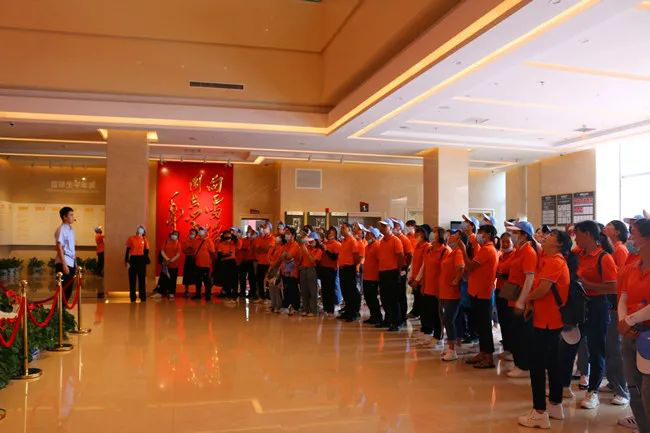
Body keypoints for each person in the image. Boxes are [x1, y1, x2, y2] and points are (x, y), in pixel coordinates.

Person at [517, 229, 571, 429]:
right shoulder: (547, 259)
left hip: (547, 321)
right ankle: (555, 404)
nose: (545, 238)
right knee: (552, 363)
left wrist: (526, 299)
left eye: (550, 237)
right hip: (546, 319)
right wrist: (531, 302)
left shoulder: (555, 262)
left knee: (538, 367)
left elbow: (543, 289)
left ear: (559, 244)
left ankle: (539, 412)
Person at [573, 220, 618, 410]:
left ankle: (593, 392)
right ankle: (567, 384)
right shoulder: (578, 255)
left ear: (588, 235)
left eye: (577, 234)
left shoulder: (604, 258)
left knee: (596, 349)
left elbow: (613, 287)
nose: (575, 238)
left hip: (597, 306)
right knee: (571, 344)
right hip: (579, 306)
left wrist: (588, 284)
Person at [617, 218, 650, 433]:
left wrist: (629, 320)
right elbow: (624, 296)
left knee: (647, 389)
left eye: (634, 233)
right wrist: (624, 322)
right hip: (630, 334)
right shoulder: (633, 267)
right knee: (634, 387)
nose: (629, 238)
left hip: (646, 334)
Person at [459, 224, 499, 369]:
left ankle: (488, 358)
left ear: (488, 235)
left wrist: (463, 250)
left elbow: (470, 266)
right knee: (480, 326)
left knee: (484, 327)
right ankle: (483, 352)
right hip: (477, 291)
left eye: (481, 232)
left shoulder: (488, 249)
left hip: (483, 293)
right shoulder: (485, 249)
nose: (479, 235)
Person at [504, 221, 539, 379]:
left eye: (516, 232)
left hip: (522, 300)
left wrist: (522, 301)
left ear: (524, 235)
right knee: (516, 333)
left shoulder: (529, 252)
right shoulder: (519, 251)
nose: (512, 235)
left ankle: (524, 366)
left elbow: (530, 278)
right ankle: (519, 363)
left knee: (522, 335)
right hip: (514, 297)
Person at [416, 226, 446, 350]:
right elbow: (425, 268)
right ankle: (432, 334)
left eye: (435, 232)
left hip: (438, 288)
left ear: (440, 235)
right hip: (428, 286)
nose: (432, 234)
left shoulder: (445, 251)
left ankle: (439, 337)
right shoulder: (429, 249)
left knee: (438, 314)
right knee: (430, 312)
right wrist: (422, 283)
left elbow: (444, 271)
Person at [438, 230, 467, 361]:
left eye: (454, 236)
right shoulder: (452, 252)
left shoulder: (459, 252)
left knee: (449, 319)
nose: (451, 237)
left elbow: (461, 268)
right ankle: (450, 345)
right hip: (445, 290)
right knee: (448, 319)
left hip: (452, 292)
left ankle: (452, 350)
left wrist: (456, 280)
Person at [377, 219, 405, 331]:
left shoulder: (396, 240)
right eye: (381, 226)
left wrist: (399, 271)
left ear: (391, 227)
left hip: (392, 272)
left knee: (393, 299)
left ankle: (397, 322)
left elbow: (400, 257)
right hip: (383, 272)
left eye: (384, 226)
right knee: (384, 298)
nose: (382, 228)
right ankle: (388, 320)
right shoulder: (382, 241)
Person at [495, 231, 516, 363]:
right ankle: (507, 348)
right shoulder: (501, 255)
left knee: (509, 321)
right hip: (499, 289)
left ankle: (513, 350)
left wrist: (502, 275)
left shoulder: (515, 255)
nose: (505, 244)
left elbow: (514, 273)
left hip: (510, 291)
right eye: (503, 242)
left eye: (508, 241)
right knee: (502, 320)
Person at [391, 218, 413, 325]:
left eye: (395, 225)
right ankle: (395, 316)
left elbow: (409, 255)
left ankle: (402, 317)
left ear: (399, 227)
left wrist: (405, 267)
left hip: (401, 269)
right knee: (394, 294)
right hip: (393, 269)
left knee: (400, 294)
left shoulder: (404, 239)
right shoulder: (393, 239)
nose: (393, 227)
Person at [338, 223, 361, 321]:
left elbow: (356, 257)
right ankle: (347, 311)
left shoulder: (352, 241)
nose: (341, 229)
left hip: (349, 268)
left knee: (351, 291)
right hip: (342, 268)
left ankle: (353, 313)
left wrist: (352, 266)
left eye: (343, 228)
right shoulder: (344, 241)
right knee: (345, 291)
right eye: (341, 228)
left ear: (349, 229)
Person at [54, 206, 77, 301]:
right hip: (64, 262)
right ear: (64, 217)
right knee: (63, 290)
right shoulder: (62, 229)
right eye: (71, 215)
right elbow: (59, 247)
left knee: (68, 290)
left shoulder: (70, 229)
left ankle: (63, 309)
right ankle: (59, 309)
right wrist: (64, 264)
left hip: (71, 261)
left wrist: (75, 262)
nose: (73, 217)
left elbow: (70, 248)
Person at [124, 225, 150, 303]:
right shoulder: (131, 238)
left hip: (141, 260)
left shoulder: (145, 239)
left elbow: (146, 251)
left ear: (144, 231)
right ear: (137, 230)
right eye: (139, 228)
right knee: (132, 279)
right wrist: (127, 261)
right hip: (133, 259)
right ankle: (132, 297)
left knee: (142, 279)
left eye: (142, 229)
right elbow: (127, 251)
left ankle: (142, 297)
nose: (140, 230)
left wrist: (144, 261)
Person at [298, 231, 322, 316]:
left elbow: (313, 261)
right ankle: (305, 309)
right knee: (304, 291)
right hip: (303, 269)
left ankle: (313, 310)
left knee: (312, 291)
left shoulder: (318, 250)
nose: (311, 242)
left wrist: (307, 252)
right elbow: (300, 258)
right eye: (310, 241)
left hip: (312, 270)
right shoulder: (306, 247)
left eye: (312, 241)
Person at [363, 227, 383, 325]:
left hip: (374, 277)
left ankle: (378, 317)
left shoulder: (377, 246)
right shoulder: (367, 246)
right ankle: (373, 316)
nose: (366, 236)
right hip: (366, 276)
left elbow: (380, 261)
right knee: (368, 297)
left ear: (374, 235)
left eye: (369, 234)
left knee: (373, 298)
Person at [319, 226, 341, 316]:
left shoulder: (337, 244)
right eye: (329, 232)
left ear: (336, 234)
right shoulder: (325, 243)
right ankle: (325, 308)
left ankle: (330, 309)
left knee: (330, 290)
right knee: (324, 289)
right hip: (323, 268)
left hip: (331, 269)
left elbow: (334, 258)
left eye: (332, 232)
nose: (330, 234)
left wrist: (326, 249)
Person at [280, 226, 301, 315]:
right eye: (285, 233)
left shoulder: (295, 245)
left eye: (288, 233)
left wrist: (285, 255)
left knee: (293, 289)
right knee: (286, 289)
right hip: (285, 270)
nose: (286, 235)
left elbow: (288, 256)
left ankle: (295, 307)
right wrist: (285, 255)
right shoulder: (286, 245)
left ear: (293, 235)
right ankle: (287, 305)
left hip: (293, 271)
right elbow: (281, 256)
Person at [155, 230, 181, 299]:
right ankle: (160, 292)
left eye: (176, 235)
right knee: (163, 278)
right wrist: (167, 259)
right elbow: (162, 251)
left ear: (178, 236)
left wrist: (172, 260)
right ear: (171, 235)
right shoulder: (166, 241)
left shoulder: (178, 243)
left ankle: (171, 293)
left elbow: (178, 254)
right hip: (165, 264)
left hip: (174, 265)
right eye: (173, 234)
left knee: (173, 279)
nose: (174, 235)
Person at [192, 226, 215, 301]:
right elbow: (194, 250)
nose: (200, 231)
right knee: (197, 281)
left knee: (206, 281)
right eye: (199, 230)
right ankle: (198, 295)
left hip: (206, 265)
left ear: (205, 232)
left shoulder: (209, 241)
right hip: (197, 264)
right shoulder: (196, 240)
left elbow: (212, 252)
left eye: (202, 230)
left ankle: (208, 295)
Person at [254, 222, 275, 301]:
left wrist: (262, 248)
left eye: (265, 227)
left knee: (268, 280)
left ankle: (268, 297)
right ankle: (261, 297)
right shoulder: (261, 238)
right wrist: (263, 248)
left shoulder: (272, 238)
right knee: (259, 279)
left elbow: (267, 249)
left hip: (268, 262)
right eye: (263, 228)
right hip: (260, 262)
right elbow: (257, 249)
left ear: (269, 229)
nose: (263, 229)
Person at [218, 229, 238, 300]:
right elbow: (219, 255)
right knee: (226, 278)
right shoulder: (221, 244)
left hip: (232, 262)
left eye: (228, 234)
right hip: (224, 262)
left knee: (234, 278)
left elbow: (238, 243)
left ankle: (234, 293)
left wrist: (232, 234)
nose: (227, 235)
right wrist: (227, 255)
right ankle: (227, 292)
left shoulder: (233, 242)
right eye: (225, 234)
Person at [238, 226, 257, 299]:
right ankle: (242, 291)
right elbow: (240, 248)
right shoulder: (243, 240)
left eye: (250, 232)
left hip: (251, 261)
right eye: (248, 232)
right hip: (244, 260)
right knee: (242, 277)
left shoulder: (255, 241)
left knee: (251, 277)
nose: (248, 233)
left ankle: (252, 292)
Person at [182, 228, 199, 298]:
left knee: (197, 275)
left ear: (196, 234)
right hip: (188, 259)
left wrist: (190, 249)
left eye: (193, 233)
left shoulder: (198, 241)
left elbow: (196, 250)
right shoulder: (186, 241)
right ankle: (186, 291)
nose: (191, 234)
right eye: (190, 233)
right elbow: (184, 250)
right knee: (187, 275)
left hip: (196, 259)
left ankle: (197, 292)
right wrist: (189, 250)